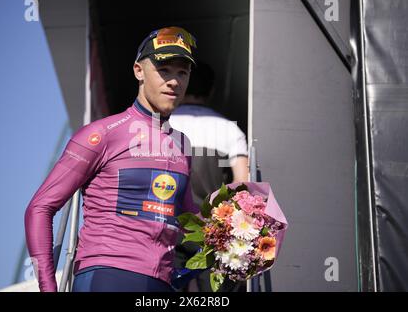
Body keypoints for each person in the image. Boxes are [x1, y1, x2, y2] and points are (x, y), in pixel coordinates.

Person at [24, 27, 200, 292]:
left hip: (161, 283)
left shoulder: (182, 145)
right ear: (138, 71)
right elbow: (39, 208)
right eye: (164, 70)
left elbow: (189, 220)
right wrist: (48, 287)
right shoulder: (102, 133)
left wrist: (238, 234)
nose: (174, 81)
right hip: (107, 275)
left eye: (182, 72)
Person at [169, 62, 249, 292]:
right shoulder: (230, 130)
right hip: (211, 228)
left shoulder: (164, 125)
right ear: (211, 91)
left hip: (169, 223)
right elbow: (242, 186)